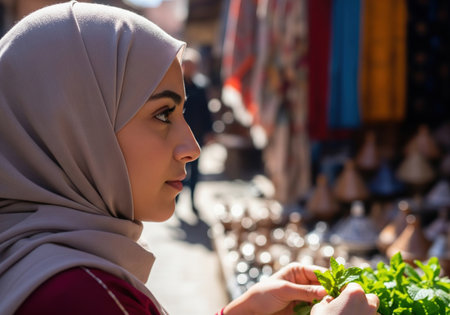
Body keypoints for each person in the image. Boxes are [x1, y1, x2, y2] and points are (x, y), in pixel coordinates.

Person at [0, 2, 379, 315]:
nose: (192, 147)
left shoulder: (34, 261)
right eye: (163, 114)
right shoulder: (82, 297)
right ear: (76, 126)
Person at [181, 48, 213, 216]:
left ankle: (193, 202)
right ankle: (176, 201)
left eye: (193, 66)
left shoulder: (200, 87)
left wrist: (210, 132)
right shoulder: (178, 86)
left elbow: (206, 112)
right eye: (187, 65)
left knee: (195, 171)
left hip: (197, 135)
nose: (190, 69)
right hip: (180, 137)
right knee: (180, 170)